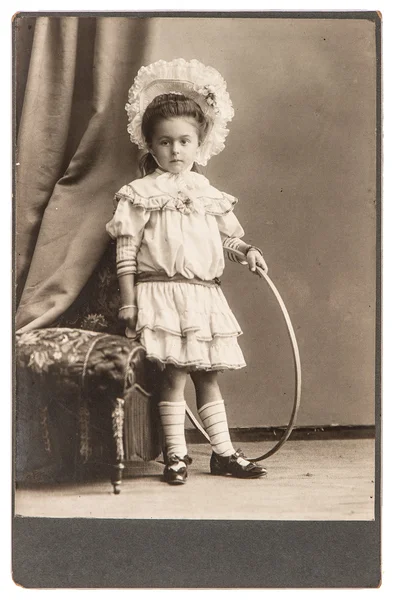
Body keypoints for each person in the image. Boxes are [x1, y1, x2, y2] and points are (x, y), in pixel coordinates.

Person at [106, 59, 268, 485]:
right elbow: (126, 250)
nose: (175, 151)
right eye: (165, 142)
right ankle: (176, 456)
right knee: (175, 374)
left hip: (202, 294)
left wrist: (247, 250)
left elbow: (226, 241)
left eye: (184, 142)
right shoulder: (140, 195)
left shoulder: (208, 194)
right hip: (161, 293)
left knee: (208, 374)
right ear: (150, 145)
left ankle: (224, 452)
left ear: (200, 145)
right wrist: (129, 301)